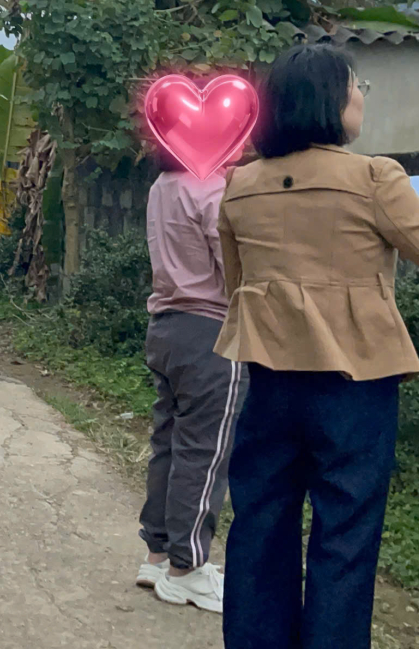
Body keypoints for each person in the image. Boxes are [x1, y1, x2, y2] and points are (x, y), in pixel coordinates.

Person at [216, 44, 416, 649]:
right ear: (331, 99)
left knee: (260, 524)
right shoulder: (374, 178)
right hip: (357, 385)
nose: (360, 97)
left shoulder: (240, 185)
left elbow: (235, 285)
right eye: (356, 85)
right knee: (346, 536)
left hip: (271, 382)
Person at [136, 147, 247, 614]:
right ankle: (187, 569)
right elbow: (234, 269)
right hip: (210, 331)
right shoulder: (211, 189)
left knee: (169, 441)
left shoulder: (163, 185)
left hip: (166, 327)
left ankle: (158, 555)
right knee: (205, 450)